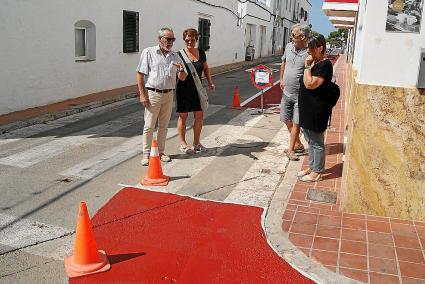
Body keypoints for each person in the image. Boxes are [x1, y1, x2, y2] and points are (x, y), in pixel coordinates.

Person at [136, 27, 187, 166]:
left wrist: (182, 69)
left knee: (164, 126)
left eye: (173, 39)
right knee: (149, 126)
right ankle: (146, 154)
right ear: (160, 39)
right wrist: (142, 95)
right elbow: (140, 74)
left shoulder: (175, 56)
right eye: (168, 39)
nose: (170, 42)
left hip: (169, 94)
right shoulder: (149, 52)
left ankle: (161, 152)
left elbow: (182, 78)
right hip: (153, 93)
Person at [297, 34, 333, 182]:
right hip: (308, 109)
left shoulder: (325, 65)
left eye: (311, 49)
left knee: (316, 141)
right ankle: (312, 166)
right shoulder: (316, 64)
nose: (309, 52)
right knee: (309, 140)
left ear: (320, 48)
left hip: (317, 111)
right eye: (308, 49)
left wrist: (306, 66)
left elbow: (310, 84)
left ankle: (317, 172)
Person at [176, 28, 215, 154]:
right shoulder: (179, 55)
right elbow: (179, 76)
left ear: (196, 40)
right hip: (183, 89)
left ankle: (197, 143)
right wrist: (181, 71)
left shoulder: (201, 53)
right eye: (187, 40)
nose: (190, 42)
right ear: (184, 40)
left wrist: (210, 82)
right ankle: (183, 143)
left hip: (197, 89)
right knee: (183, 116)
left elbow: (206, 68)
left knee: (199, 116)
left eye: (192, 40)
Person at [279, 24, 310, 161]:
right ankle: (298, 144)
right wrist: (280, 79)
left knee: (296, 123)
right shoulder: (288, 46)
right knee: (286, 119)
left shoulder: (309, 52)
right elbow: (283, 63)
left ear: (302, 37)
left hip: (300, 96)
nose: (291, 37)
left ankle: (291, 150)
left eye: (294, 35)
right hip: (286, 92)